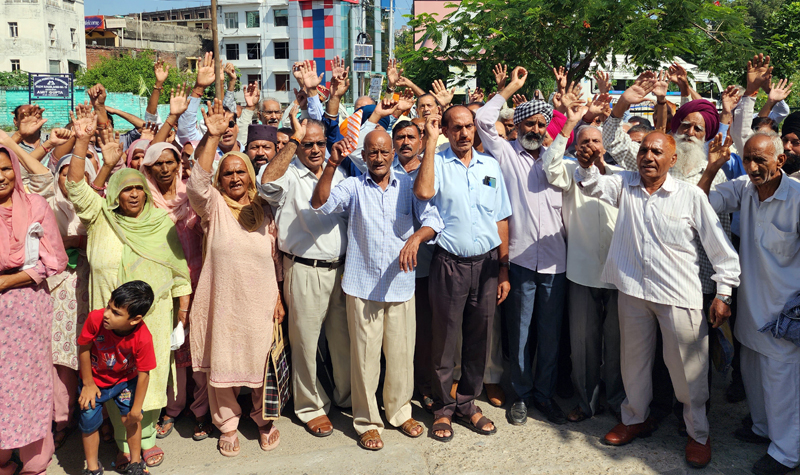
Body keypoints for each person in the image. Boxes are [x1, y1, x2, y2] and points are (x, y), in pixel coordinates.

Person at [575, 131, 740, 468]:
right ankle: (633, 418)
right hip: (634, 292)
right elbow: (592, 185)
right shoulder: (624, 184)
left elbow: (720, 249)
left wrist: (724, 293)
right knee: (632, 364)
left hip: (679, 296)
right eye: (644, 150)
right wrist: (588, 164)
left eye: (656, 151)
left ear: (673, 159)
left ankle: (698, 435)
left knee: (688, 374)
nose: (648, 156)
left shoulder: (690, 196)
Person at [66, 108, 191, 471]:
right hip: (109, 321)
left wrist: (181, 317)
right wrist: (83, 141)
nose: (133, 194)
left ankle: (143, 439)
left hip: (151, 319)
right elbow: (75, 187)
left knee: (147, 383)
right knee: (110, 380)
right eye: (126, 188)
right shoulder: (100, 215)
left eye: (139, 187)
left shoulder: (162, 224)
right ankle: (123, 441)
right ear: (116, 193)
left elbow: (180, 273)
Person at [311, 131, 443, 450]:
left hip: (400, 285)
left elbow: (434, 221)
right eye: (373, 152)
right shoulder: (354, 186)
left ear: (394, 152)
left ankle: (399, 412)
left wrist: (415, 239)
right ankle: (368, 421)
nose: (379, 158)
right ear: (365, 155)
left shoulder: (408, 188)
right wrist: (332, 164)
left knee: (399, 357)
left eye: (385, 151)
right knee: (366, 360)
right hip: (363, 286)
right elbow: (320, 203)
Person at [187, 99, 284, 456]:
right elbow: (196, 184)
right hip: (223, 300)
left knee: (262, 358)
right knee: (224, 359)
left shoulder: (264, 209)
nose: (234, 178)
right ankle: (227, 424)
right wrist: (212, 136)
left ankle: (262, 418)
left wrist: (278, 298)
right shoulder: (212, 206)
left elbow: (275, 260)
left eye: (240, 172)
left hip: (261, 299)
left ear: (250, 175)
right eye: (227, 173)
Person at [700, 133, 800, 475]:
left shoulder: (798, 198)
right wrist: (713, 166)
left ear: (780, 161)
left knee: (782, 384)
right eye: (748, 160)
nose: (754, 168)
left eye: (761, 160)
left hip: (784, 314)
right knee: (755, 377)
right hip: (751, 312)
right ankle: (763, 430)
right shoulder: (744, 188)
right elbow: (700, 203)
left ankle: (787, 453)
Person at [475, 66, 568, 426]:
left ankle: (544, 395)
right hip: (520, 261)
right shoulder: (505, 154)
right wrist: (510, 88)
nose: (535, 131)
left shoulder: (556, 159)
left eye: (541, 126)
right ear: (516, 127)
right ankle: (522, 396)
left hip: (557, 262)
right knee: (521, 334)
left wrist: (564, 112)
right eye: (529, 125)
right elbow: (483, 119)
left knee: (549, 335)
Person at [414, 104, 511, 442]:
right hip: (449, 264)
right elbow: (424, 193)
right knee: (444, 341)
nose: (464, 133)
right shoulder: (436, 162)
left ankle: (468, 403)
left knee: (478, 338)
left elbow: (501, 217)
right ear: (446, 129)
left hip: (485, 265)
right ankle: (443, 408)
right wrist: (429, 142)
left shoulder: (491, 166)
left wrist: (503, 268)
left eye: (468, 126)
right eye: (455, 128)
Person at [258, 110, 351, 438]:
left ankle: (346, 396)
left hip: (341, 269)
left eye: (320, 143)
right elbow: (265, 182)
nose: (314, 149)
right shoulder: (287, 175)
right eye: (307, 144)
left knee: (343, 340)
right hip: (304, 268)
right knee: (306, 343)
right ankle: (310, 406)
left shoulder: (337, 171)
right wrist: (294, 138)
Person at [542, 106, 626, 423]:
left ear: (605, 146)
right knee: (583, 347)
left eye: (596, 141)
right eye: (585, 141)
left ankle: (618, 402)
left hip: (618, 275)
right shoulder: (568, 170)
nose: (590, 146)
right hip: (581, 273)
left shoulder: (620, 177)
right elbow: (548, 166)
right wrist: (569, 126)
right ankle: (587, 402)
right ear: (576, 147)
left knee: (618, 348)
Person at [0, 144, 67, 475]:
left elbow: (54, 258)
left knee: (28, 382)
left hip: (26, 307)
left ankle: (34, 461)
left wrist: (8, 281)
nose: (1, 176)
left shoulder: (35, 206)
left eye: (5, 168)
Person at [138, 143, 211, 442]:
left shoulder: (189, 196)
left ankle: (202, 410)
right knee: (171, 349)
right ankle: (174, 406)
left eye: (170, 162)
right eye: (158, 164)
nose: (165, 169)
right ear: (149, 168)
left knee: (199, 346)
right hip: (162, 285)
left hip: (198, 277)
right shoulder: (146, 201)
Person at [77, 281, 156, 475]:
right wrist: (88, 383)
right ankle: (93, 468)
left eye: (116, 313)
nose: (106, 314)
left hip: (125, 381)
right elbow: (84, 347)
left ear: (135, 319)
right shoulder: (95, 319)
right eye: (108, 306)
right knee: (88, 422)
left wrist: (136, 410)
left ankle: (136, 464)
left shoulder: (143, 337)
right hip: (94, 381)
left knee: (131, 420)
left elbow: (144, 374)